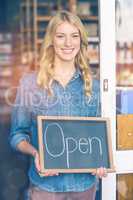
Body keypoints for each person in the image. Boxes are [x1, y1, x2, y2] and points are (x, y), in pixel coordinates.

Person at [9, 10, 107, 200]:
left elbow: (97, 137)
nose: (68, 43)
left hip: (84, 186)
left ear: (81, 41)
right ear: (51, 41)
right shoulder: (30, 84)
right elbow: (16, 135)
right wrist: (36, 153)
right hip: (45, 187)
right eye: (61, 36)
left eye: (74, 36)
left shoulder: (93, 86)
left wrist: (101, 160)